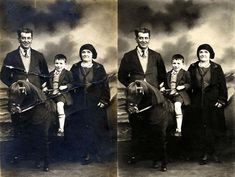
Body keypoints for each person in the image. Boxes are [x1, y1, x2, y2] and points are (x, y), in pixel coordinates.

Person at [118, 27, 167, 170]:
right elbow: (121, 75)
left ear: (149, 39)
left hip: (152, 99)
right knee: (137, 127)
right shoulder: (128, 56)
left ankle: (157, 159)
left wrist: (160, 88)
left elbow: (163, 76)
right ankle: (137, 155)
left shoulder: (156, 56)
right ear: (136, 39)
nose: (144, 40)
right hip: (136, 99)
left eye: (146, 38)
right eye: (141, 38)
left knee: (155, 129)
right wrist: (132, 86)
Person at [0, 27, 50, 167]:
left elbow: (45, 74)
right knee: (19, 128)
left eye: (29, 38)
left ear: (31, 39)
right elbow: (3, 76)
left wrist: (44, 88)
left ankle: (38, 159)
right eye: (23, 38)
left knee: (36, 128)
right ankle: (17, 156)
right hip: (19, 100)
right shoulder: (11, 56)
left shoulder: (39, 56)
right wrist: (15, 86)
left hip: (34, 101)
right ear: (19, 39)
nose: (26, 40)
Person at [70, 44, 111, 164]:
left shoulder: (99, 67)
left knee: (97, 128)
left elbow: (105, 86)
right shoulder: (75, 67)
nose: (85, 54)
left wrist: (104, 100)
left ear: (93, 54)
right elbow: (71, 84)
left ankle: (99, 154)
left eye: (88, 52)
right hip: (80, 103)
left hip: (96, 103)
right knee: (82, 129)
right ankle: (85, 155)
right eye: (83, 52)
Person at [188, 44, 228, 165]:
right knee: (200, 129)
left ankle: (216, 154)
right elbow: (188, 84)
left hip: (214, 102)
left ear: (210, 54)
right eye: (201, 52)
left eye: (206, 52)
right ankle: (203, 154)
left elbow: (223, 86)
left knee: (214, 127)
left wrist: (221, 100)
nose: (203, 54)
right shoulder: (193, 67)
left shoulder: (216, 67)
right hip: (197, 102)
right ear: (198, 54)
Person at [160, 54, 191, 137]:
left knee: (177, 106)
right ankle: (163, 125)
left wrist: (183, 86)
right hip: (169, 94)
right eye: (174, 63)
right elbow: (166, 85)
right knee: (161, 105)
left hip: (179, 94)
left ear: (182, 64)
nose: (176, 65)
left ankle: (179, 129)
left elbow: (189, 84)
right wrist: (162, 88)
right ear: (171, 63)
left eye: (178, 63)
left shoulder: (185, 73)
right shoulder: (168, 74)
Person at [44, 54, 73, 136]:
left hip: (62, 95)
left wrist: (66, 86)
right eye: (57, 63)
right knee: (44, 106)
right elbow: (48, 85)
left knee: (60, 107)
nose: (58, 65)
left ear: (65, 64)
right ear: (54, 64)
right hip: (51, 95)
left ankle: (61, 129)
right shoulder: (51, 74)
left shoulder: (68, 73)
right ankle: (47, 126)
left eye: (61, 63)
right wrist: (45, 88)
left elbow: (73, 84)